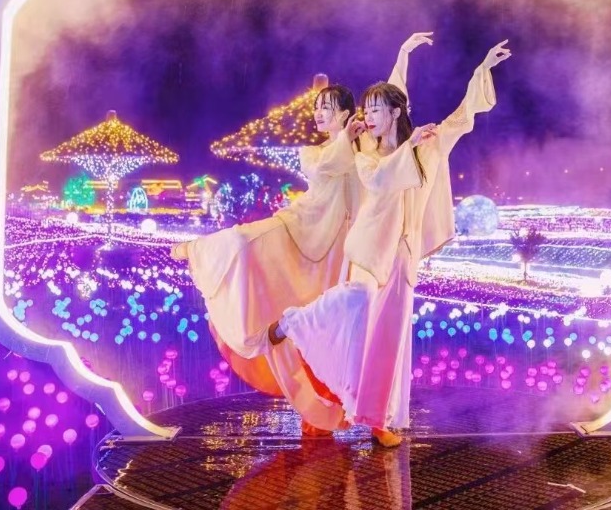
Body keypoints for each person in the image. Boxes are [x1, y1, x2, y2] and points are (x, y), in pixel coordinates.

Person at [172, 33, 433, 433]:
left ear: (348, 113)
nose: (317, 114)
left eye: (326, 108)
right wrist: (345, 137)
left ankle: (330, 408)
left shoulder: (366, 145)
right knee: (240, 242)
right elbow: (327, 166)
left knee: (338, 329)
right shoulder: (315, 152)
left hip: (346, 248)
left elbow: (390, 106)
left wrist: (402, 55)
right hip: (302, 228)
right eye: (316, 108)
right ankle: (199, 251)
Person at [270, 40, 511, 446]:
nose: (368, 118)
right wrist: (402, 61)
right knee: (354, 307)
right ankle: (294, 323)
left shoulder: (426, 143)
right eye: (366, 111)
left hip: (402, 254)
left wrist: (481, 70)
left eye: (376, 110)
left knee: (390, 339)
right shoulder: (366, 152)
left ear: (396, 112)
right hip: (369, 250)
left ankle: (379, 419)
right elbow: (380, 179)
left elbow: (461, 117)